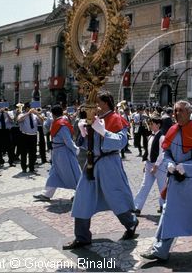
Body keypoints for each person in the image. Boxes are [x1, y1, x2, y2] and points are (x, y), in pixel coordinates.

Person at [140, 100, 192, 262]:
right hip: (176, 180)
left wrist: (186, 167)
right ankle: (160, 250)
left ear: (189, 113)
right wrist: (170, 165)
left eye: (180, 110)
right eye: (175, 110)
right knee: (169, 212)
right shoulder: (172, 130)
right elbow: (166, 153)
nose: (176, 113)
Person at [63, 91, 138, 250]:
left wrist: (104, 132)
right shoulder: (94, 119)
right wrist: (83, 133)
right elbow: (85, 145)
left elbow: (121, 143)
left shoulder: (116, 119)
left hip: (109, 163)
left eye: (96, 102)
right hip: (92, 163)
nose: (93, 106)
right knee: (82, 199)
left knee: (116, 198)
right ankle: (82, 237)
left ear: (105, 103)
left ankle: (131, 223)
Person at [33, 105, 81, 201]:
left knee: (72, 173)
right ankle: (46, 194)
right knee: (54, 173)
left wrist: (76, 150)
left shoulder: (62, 124)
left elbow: (68, 141)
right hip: (57, 152)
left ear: (53, 114)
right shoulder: (58, 122)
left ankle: (80, 194)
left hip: (64, 153)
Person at [133, 115, 167, 215]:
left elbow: (162, 153)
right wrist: (145, 163)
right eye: (150, 123)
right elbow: (147, 151)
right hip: (149, 164)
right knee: (144, 186)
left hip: (159, 166)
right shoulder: (151, 136)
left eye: (152, 124)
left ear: (158, 125)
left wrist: (156, 166)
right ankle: (137, 207)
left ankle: (163, 206)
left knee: (162, 187)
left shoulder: (162, 137)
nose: (150, 125)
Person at [17, 103, 44, 173]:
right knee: (24, 153)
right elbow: (19, 120)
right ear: (26, 108)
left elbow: (42, 122)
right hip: (24, 136)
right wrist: (28, 113)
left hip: (33, 136)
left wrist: (37, 114)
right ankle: (24, 168)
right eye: (29, 108)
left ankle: (31, 167)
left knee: (33, 152)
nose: (31, 109)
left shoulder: (35, 116)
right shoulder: (22, 114)